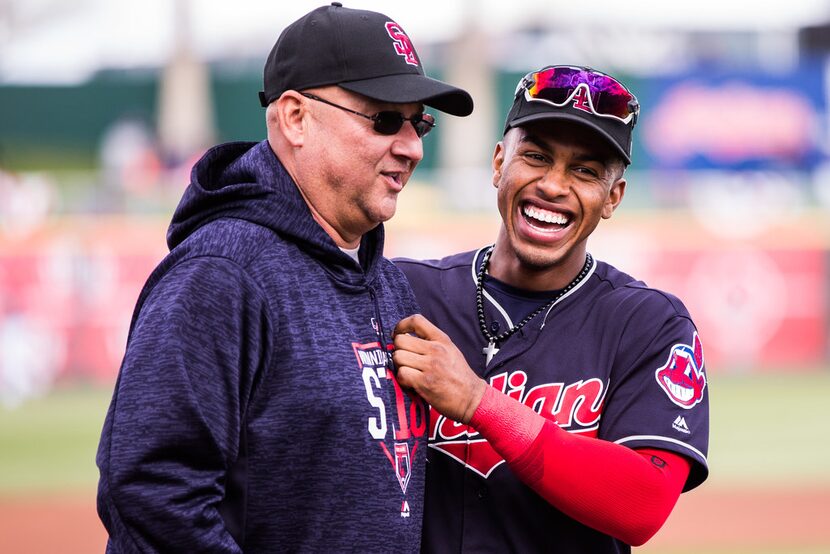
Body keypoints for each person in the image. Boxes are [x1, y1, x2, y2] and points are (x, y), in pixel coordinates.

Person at [95, 4, 473, 552]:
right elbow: (153, 493)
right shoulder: (221, 274)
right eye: (386, 120)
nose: (412, 145)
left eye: (420, 123)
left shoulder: (384, 281)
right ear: (295, 117)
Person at [392, 65, 709, 553]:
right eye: (536, 157)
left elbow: (642, 505)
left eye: (585, 171)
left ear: (613, 197)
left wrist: (480, 403)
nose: (554, 185)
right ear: (499, 164)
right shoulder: (405, 292)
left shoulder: (649, 325)